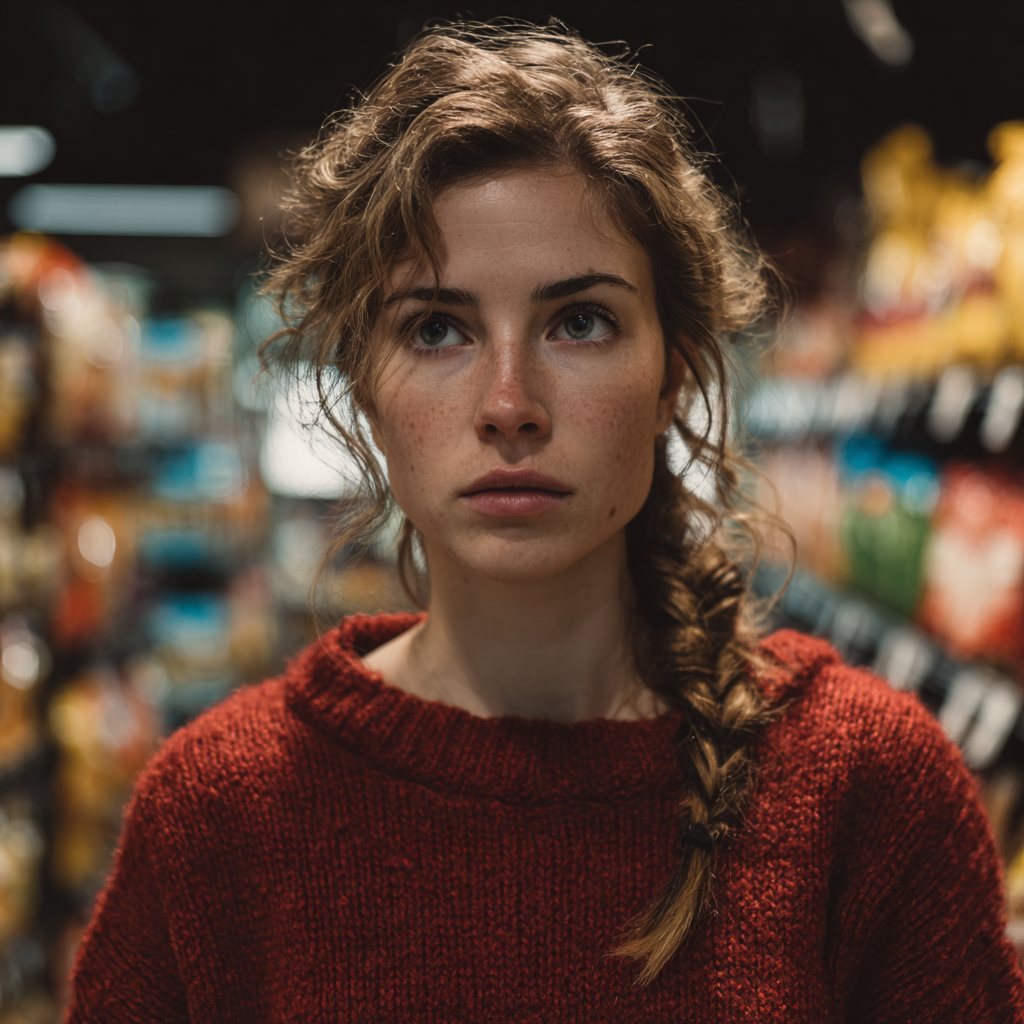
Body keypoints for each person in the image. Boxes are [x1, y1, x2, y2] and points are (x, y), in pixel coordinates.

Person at [66, 20, 1024, 1023]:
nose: (509, 401)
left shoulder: (869, 795)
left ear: (675, 376)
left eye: (579, 321)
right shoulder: (215, 819)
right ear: (360, 388)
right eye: (437, 329)